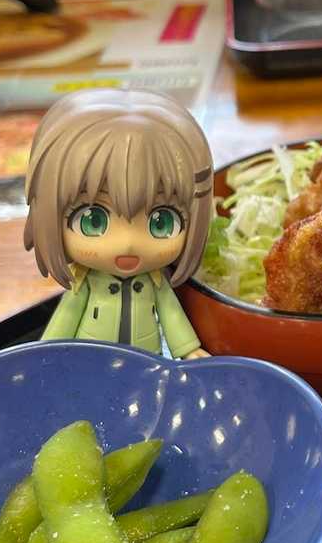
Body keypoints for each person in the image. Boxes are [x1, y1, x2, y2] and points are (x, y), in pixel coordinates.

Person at [23, 89, 213, 357]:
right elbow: (65, 319)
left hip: (149, 362)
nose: (128, 243)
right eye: (93, 221)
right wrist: (45, 354)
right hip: (91, 362)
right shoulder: (84, 283)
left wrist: (189, 350)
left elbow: (172, 316)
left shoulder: (156, 282)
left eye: (161, 223)